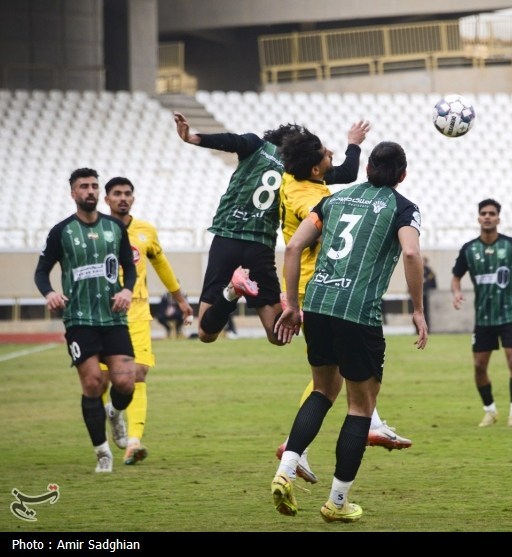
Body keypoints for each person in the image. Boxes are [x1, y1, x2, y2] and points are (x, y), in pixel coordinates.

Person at [271, 140, 427, 523]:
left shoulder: (332, 200)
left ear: (368, 168)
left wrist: (291, 304)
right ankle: (337, 502)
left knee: (322, 391)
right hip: (358, 313)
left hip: (318, 305)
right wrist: (418, 309)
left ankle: (285, 470)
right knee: (360, 407)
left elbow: (292, 248)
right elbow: (410, 253)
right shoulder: (403, 208)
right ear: (403, 175)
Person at [33, 168, 137, 473]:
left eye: (93, 186)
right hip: (79, 319)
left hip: (113, 317)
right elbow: (41, 271)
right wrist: (50, 293)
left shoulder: (115, 228)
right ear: (73, 193)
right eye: (83, 186)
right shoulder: (61, 231)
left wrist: (127, 290)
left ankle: (114, 412)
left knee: (126, 382)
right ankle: (103, 453)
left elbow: (129, 266)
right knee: (92, 383)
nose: (90, 191)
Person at [173, 111, 286, 346]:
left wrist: (193, 138)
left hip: (227, 238)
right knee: (278, 337)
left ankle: (231, 293)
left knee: (206, 334)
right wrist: (353, 146)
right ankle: (294, 306)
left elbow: (232, 140)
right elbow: (343, 174)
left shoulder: (257, 145)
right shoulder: (297, 168)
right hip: (261, 246)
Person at [103, 177, 194, 465]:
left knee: (139, 373)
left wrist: (180, 299)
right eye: (117, 193)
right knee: (107, 380)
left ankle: (133, 442)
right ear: (107, 199)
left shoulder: (145, 231)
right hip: (104, 314)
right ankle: (114, 414)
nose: (123, 198)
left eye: (128, 193)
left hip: (138, 312)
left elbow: (161, 264)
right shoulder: (97, 230)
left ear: (133, 198)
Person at [451, 198, 512, 428]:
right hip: (484, 319)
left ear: (498, 218)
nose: (488, 217)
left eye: (492, 213)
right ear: (478, 218)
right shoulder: (469, 249)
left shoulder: (511, 245)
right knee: (479, 366)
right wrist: (456, 292)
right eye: (484, 213)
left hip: (510, 315)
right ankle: (490, 411)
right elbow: (456, 277)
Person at [422, 256, 437, 331]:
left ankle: (427, 328)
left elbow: (433, 283)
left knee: (427, 313)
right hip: (418, 295)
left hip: (427, 295)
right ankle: (417, 329)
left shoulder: (429, 271)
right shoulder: (416, 269)